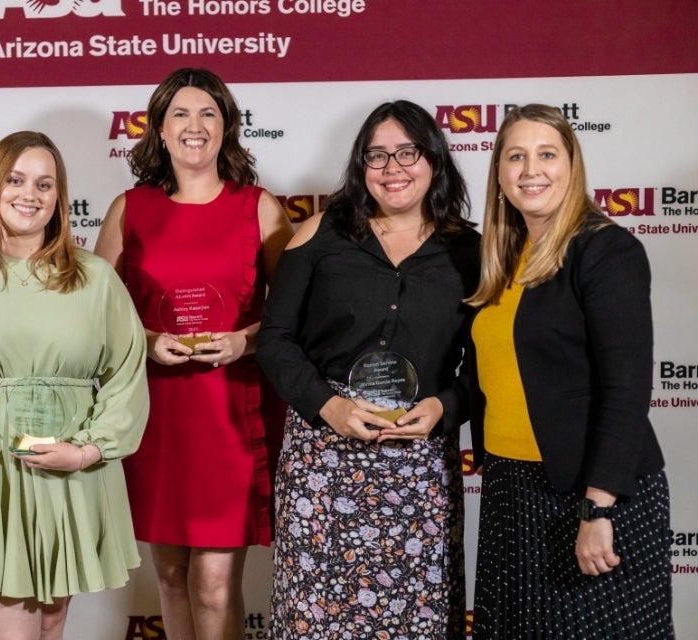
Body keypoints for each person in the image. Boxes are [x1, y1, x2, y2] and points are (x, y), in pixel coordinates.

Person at [256, 100, 479, 639]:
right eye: (376, 155)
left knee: (415, 617)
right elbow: (274, 340)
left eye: (408, 152)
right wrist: (328, 406)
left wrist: (444, 407)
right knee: (317, 616)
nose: (392, 168)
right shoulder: (317, 236)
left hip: (419, 462)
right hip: (323, 457)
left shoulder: (472, 251)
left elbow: (488, 363)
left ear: (434, 160)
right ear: (360, 167)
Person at [94, 68, 293, 640]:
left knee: (212, 580)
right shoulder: (128, 210)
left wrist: (245, 339)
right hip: (155, 413)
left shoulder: (259, 207)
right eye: (180, 113)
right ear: (159, 128)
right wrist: (148, 343)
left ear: (227, 127)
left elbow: (292, 314)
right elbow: (98, 316)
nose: (194, 126)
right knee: (173, 574)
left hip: (231, 412)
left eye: (208, 113)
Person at [465, 104, 674, 638]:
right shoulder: (500, 258)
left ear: (572, 165)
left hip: (590, 492)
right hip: (512, 487)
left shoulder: (606, 251)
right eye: (515, 156)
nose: (530, 169)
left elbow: (626, 391)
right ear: (500, 174)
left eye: (546, 154)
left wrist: (598, 508)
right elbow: (486, 372)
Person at [0, 131, 149, 640]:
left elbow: (127, 371)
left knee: (51, 627)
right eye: (15, 179)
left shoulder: (94, 279)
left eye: (44, 184)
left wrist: (89, 451)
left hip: (72, 474)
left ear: (59, 198)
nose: (29, 194)